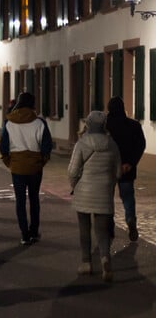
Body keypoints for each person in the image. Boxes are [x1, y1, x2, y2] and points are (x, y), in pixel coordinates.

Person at [68, 111, 121, 282]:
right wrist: (110, 182)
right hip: (104, 192)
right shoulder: (112, 144)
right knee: (102, 230)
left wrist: (74, 185)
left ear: (89, 124)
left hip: (84, 191)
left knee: (84, 229)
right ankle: (105, 259)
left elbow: (73, 171)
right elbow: (118, 171)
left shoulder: (81, 143)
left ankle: (86, 263)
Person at [0, 92, 53, 245]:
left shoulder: (9, 122)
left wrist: (9, 162)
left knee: (20, 201)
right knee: (34, 199)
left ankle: (24, 234)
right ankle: (34, 231)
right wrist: (41, 161)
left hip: (17, 166)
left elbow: (3, 147)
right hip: (35, 167)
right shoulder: (40, 123)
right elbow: (47, 146)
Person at [106, 96, 146, 242]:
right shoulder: (134, 125)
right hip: (126, 170)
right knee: (128, 197)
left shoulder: (105, 126)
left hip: (108, 170)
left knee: (107, 198)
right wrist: (130, 163)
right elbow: (141, 145)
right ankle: (130, 219)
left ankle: (109, 227)